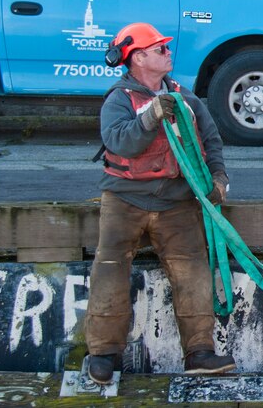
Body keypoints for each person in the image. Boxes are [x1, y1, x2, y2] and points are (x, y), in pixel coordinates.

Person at [86, 23, 234, 385]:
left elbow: (211, 140)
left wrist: (219, 179)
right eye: (160, 49)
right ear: (138, 58)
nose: (168, 54)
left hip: (177, 201)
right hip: (124, 199)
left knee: (193, 271)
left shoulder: (187, 98)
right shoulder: (118, 100)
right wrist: (151, 115)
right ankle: (104, 353)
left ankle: (199, 352)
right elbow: (121, 143)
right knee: (109, 268)